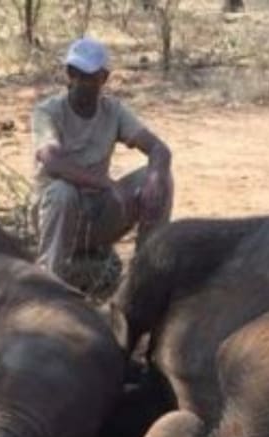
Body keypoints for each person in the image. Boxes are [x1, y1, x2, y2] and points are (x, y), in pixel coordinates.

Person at [31, 37, 173, 280]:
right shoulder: (48, 111)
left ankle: (145, 272)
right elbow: (53, 160)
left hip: (98, 210)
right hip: (57, 213)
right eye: (76, 74)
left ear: (104, 78)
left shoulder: (113, 111)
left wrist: (155, 176)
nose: (81, 82)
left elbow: (159, 149)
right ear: (68, 74)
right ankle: (49, 281)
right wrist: (106, 183)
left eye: (90, 76)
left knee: (161, 179)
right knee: (62, 192)